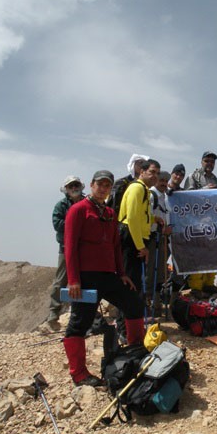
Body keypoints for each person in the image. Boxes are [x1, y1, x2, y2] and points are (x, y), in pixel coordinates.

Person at [62, 170, 139, 387]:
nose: (103, 188)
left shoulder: (109, 213)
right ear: (92, 184)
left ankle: (136, 351)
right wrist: (74, 279)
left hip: (108, 275)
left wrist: (122, 274)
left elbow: (116, 246)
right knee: (79, 323)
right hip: (86, 278)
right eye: (100, 184)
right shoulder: (78, 210)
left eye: (107, 185)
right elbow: (70, 247)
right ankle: (78, 373)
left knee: (133, 303)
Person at [118, 159, 161, 322]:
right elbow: (133, 219)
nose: (155, 176)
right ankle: (125, 326)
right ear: (141, 172)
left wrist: (153, 218)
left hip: (134, 238)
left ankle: (135, 321)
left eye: (157, 173)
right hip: (131, 239)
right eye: (151, 172)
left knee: (135, 281)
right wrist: (141, 246)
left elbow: (141, 216)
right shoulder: (137, 188)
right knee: (131, 283)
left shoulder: (144, 190)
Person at [45, 175, 85, 330]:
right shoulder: (61, 206)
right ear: (66, 190)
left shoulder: (88, 202)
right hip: (66, 248)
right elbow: (57, 224)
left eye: (76, 185)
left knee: (87, 278)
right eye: (71, 186)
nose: (74, 188)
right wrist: (76, 222)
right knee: (61, 280)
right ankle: (53, 314)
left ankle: (87, 312)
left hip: (86, 248)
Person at [184, 151, 217, 290]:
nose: (209, 164)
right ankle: (196, 288)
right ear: (201, 161)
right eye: (207, 161)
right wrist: (205, 189)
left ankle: (209, 284)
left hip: (212, 223)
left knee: (212, 254)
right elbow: (186, 197)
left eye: (212, 161)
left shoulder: (215, 179)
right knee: (198, 256)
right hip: (196, 223)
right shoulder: (193, 176)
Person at [146, 171, 172, 312]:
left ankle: (156, 303)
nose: (163, 183)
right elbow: (147, 217)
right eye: (161, 180)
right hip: (152, 238)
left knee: (161, 272)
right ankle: (147, 303)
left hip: (162, 239)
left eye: (165, 180)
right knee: (150, 272)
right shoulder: (151, 195)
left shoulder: (165, 196)